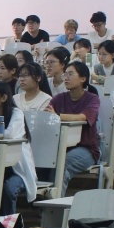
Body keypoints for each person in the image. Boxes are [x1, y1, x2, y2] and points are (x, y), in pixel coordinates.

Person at [45, 61, 101, 193]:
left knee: (62, 164)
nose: (66, 78)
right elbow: (47, 116)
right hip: (61, 147)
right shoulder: (59, 98)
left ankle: (56, 201)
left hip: (86, 149)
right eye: (65, 74)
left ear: (83, 78)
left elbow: (83, 117)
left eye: (70, 74)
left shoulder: (92, 99)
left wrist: (57, 116)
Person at [0, 82, 36, 215]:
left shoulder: (16, 113)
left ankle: (9, 224)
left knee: (8, 189)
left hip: (17, 171)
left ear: (3, 98)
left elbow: (9, 135)